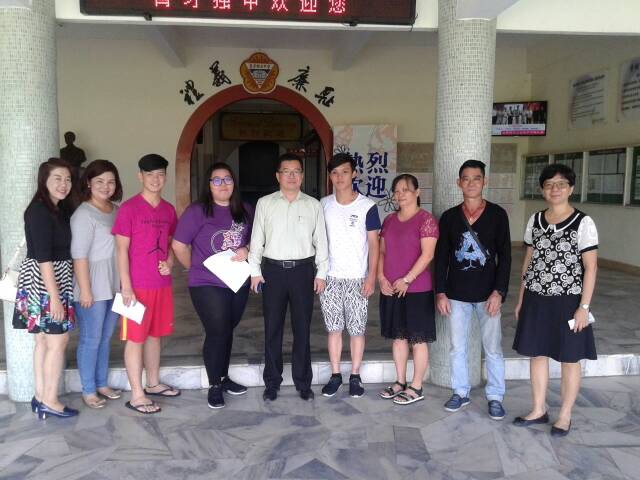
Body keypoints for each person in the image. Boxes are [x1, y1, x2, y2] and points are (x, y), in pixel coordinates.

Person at [512, 163, 598, 437]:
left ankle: (565, 415)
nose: (555, 189)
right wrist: (521, 298)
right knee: (537, 353)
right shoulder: (535, 220)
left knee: (569, 358)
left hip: (568, 301)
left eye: (561, 184)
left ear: (571, 189)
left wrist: (584, 307)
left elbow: (591, 267)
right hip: (536, 298)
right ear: (542, 190)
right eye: (549, 184)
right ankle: (538, 408)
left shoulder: (583, 222)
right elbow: (529, 260)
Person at [434, 159, 511, 420]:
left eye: (476, 178)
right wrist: (441, 292)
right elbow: (441, 258)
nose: (470, 183)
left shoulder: (498, 215)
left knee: (493, 348)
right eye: (465, 178)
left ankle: (495, 396)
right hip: (456, 294)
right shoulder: (449, 217)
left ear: (484, 182)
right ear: (459, 183)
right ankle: (460, 391)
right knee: (458, 347)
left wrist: (499, 292)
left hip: (489, 295)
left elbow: (506, 257)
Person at [249, 153, 328, 402]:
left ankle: (303, 382)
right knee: (272, 328)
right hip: (272, 272)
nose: (292, 176)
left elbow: (321, 242)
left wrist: (321, 273)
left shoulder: (313, 205)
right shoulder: (265, 203)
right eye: (286, 171)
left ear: (302, 176)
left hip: (303, 272)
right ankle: (272, 382)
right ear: (278, 176)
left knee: (302, 329)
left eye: (296, 171)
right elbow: (257, 239)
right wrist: (255, 272)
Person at [172, 162, 253, 409]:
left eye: (227, 179)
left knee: (227, 329)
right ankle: (214, 384)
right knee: (217, 330)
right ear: (209, 185)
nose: (222, 184)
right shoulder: (197, 211)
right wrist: (195, 267)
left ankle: (224, 377)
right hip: (206, 282)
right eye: (216, 180)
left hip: (237, 280)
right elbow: (179, 245)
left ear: (234, 183)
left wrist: (247, 249)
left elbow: (257, 241)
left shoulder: (246, 210)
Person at [112, 153, 179, 414]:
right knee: (135, 339)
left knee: (154, 336)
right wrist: (126, 286)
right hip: (136, 287)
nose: (155, 179)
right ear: (140, 176)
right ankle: (137, 395)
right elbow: (121, 250)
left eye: (160, 174)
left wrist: (170, 261)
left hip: (161, 284)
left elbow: (171, 243)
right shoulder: (129, 209)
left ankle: (152, 384)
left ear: (166, 177)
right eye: (150, 174)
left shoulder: (168, 210)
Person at [13, 158, 79, 419]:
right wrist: (54, 297)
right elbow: (44, 258)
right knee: (58, 340)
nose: (64, 184)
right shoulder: (40, 211)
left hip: (49, 278)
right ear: (44, 181)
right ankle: (50, 400)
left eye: (68, 179)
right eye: (57, 179)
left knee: (42, 340)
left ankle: (41, 397)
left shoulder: (57, 208)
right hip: (45, 280)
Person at [319, 153, 380, 398]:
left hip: (357, 278)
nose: (340, 177)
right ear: (330, 176)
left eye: (345, 172)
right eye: (334, 173)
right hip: (330, 277)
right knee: (334, 329)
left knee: (357, 330)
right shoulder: (323, 205)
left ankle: (355, 375)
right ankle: (335, 375)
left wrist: (371, 277)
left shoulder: (367, 206)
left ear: (354, 173)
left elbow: (374, 244)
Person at [378, 174, 439, 405]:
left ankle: (416, 386)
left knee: (418, 340)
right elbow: (382, 252)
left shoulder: (426, 220)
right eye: (397, 190)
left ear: (417, 192)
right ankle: (400, 381)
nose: (400, 194)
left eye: (405, 189)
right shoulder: (389, 220)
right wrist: (381, 277)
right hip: (392, 289)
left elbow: (428, 254)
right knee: (398, 338)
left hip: (417, 290)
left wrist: (407, 279)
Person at [71, 160, 124, 409]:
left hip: (114, 280)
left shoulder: (116, 210)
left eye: (110, 181)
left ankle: (102, 383)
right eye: (100, 181)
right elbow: (79, 255)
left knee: (105, 337)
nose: (106, 186)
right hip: (91, 282)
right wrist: (85, 290)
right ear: (89, 183)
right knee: (91, 338)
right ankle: (89, 389)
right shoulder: (83, 214)